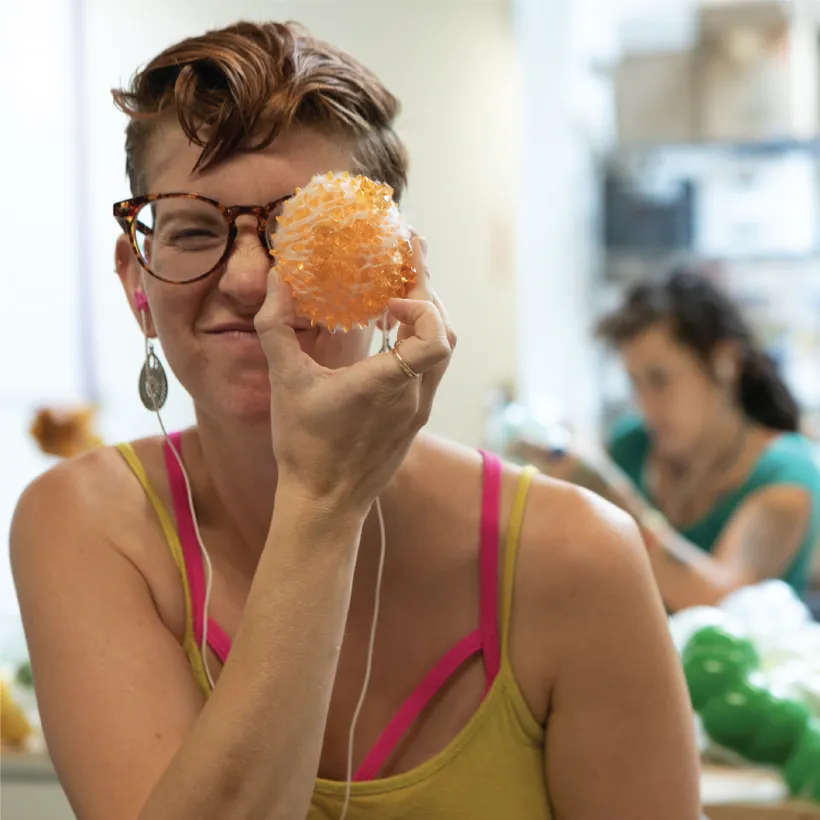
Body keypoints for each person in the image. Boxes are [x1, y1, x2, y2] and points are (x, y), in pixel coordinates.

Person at [9, 21, 700, 820]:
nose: (246, 280)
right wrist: (324, 504)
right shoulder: (87, 527)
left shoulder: (576, 559)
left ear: (394, 269)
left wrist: (324, 492)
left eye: (307, 233)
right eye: (194, 229)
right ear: (138, 280)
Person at [533, 270, 820, 613]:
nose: (645, 405)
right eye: (635, 384)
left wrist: (615, 499)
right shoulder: (631, 444)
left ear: (724, 362)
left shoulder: (787, 474)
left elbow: (725, 606)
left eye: (660, 380)